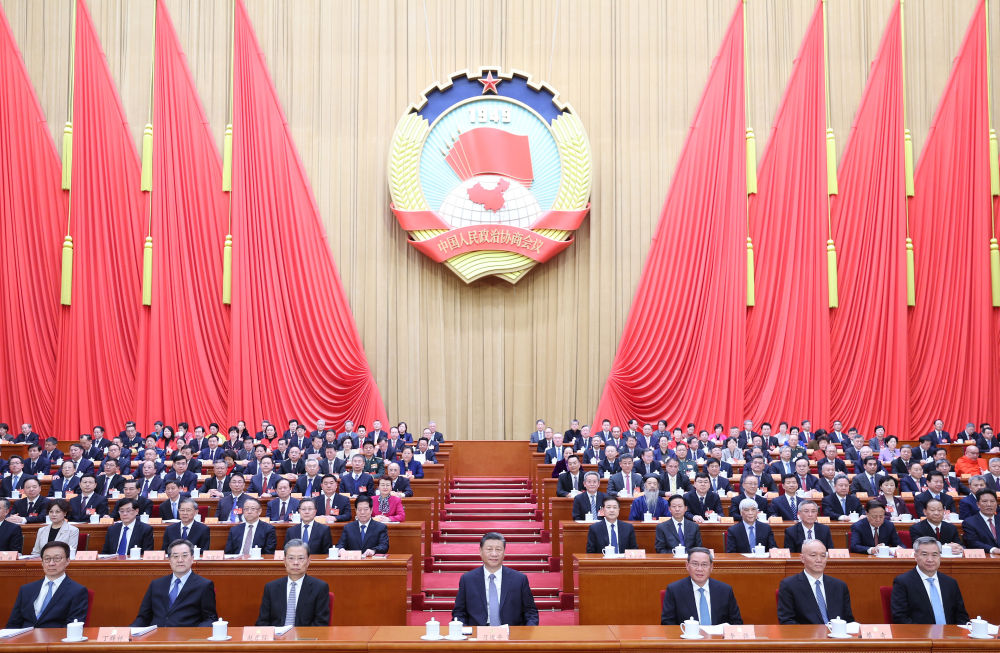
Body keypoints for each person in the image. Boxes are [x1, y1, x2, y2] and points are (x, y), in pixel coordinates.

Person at [452, 532, 539, 626]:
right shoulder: (468, 579)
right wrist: (465, 632)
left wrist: (527, 632)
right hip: (477, 634)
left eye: (498, 549)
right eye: (489, 549)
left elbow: (530, 612)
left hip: (511, 634)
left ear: (504, 552)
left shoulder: (519, 579)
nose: (494, 554)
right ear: (480, 551)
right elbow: (459, 613)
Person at [132, 539, 217, 627]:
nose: (180, 560)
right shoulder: (156, 584)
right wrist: (129, 633)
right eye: (175, 556)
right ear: (169, 560)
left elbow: (210, 619)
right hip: (157, 637)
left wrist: (194, 634)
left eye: (184, 555)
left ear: (192, 558)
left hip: (186, 638)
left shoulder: (204, 585)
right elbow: (143, 617)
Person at [5, 541, 88, 627]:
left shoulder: (77, 591)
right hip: (24, 638)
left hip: (54, 639)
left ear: (67, 561)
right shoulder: (26, 589)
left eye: (57, 558)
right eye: (47, 559)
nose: (51, 563)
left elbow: (73, 627)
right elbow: (13, 624)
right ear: (42, 562)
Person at [890, 536, 969, 624]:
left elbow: (961, 616)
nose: (930, 559)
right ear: (915, 556)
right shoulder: (903, 582)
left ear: (940, 556)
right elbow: (900, 618)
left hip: (950, 635)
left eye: (934, 555)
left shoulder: (950, 583)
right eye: (924, 554)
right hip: (919, 635)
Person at [255, 538, 331, 626]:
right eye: (291, 558)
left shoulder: (320, 588)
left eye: (301, 558)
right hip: (277, 638)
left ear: (308, 561)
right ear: (284, 561)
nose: (295, 562)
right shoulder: (271, 587)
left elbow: (321, 623)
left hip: (304, 638)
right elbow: (262, 622)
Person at [777, 540, 854, 624]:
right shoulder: (789, 585)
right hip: (807, 636)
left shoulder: (839, 586)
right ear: (802, 558)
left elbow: (848, 620)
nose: (819, 560)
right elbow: (786, 621)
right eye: (813, 555)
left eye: (823, 555)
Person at [660, 547, 742, 625]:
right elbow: (667, 624)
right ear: (687, 566)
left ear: (711, 567)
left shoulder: (725, 590)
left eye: (704, 564)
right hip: (687, 639)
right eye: (695, 564)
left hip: (718, 638)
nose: (699, 569)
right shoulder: (674, 590)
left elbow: (737, 622)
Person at [962, 488, 1000, 553]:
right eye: (985, 501)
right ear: (978, 505)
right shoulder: (969, 522)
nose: (989, 504)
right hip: (984, 558)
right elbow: (972, 542)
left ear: (996, 504)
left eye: (992, 501)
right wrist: (993, 549)